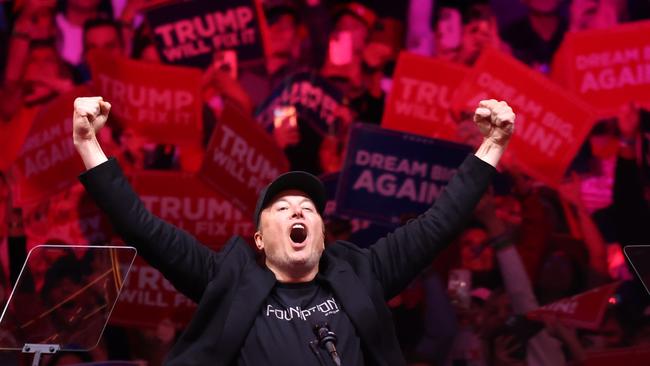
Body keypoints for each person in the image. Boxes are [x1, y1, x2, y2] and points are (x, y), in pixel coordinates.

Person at [71, 96, 514, 365]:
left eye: (308, 208)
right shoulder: (226, 277)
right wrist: (89, 144)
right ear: (259, 240)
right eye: (281, 207)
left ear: (322, 235)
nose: (298, 212)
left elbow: (439, 224)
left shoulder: (362, 271)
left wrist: (490, 146)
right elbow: (143, 228)